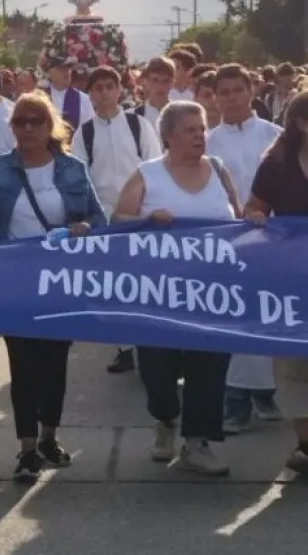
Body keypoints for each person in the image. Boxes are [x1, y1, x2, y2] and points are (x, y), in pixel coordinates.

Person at [0, 92, 105, 482]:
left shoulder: (73, 169)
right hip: (12, 282)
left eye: (36, 121)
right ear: (12, 127)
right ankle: (26, 448)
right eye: (20, 121)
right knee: (23, 365)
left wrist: (85, 227)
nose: (27, 128)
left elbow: (98, 218)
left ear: (51, 127)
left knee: (54, 364)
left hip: (60, 282)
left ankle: (49, 437)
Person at [113, 101, 241, 477]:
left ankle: (198, 443)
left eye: (201, 129)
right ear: (168, 136)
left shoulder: (218, 170)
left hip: (213, 293)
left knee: (210, 366)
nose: (200, 136)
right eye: (190, 130)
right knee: (157, 368)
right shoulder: (148, 175)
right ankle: (166, 417)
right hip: (158, 294)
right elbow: (117, 220)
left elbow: (237, 217)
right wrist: (147, 220)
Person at [205, 65, 283, 433]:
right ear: (215, 97)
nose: (232, 98)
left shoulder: (277, 136)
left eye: (238, 90)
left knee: (269, 314)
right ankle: (234, 398)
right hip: (228, 244)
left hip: (273, 243)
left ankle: (267, 392)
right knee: (234, 316)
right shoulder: (206, 142)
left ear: (251, 91)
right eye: (225, 92)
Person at [72, 66, 162, 375]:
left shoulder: (139, 126)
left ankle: (149, 343)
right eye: (98, 88)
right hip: (102, 219)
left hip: (138, 215)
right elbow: (79, 177)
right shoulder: (84, 132)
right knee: (112, 285)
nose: (105, 93)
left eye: (110, 86)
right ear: (91, 93)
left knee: (143, 280)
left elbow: (154, 166)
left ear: (119, 89)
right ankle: (123, 347)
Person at [245, 90, 308, 474]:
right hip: (290, 282)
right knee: (293, 365)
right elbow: (254, 206)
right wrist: (254, 217)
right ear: (302, 123)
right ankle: (305, 443)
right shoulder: (276, 164)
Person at [43, 57, 94, 131]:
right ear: (50, 72)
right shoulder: (41, 97)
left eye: (68, 68)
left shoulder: (83, 99)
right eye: (61, 69)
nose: (66, 72)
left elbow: (90, 129)